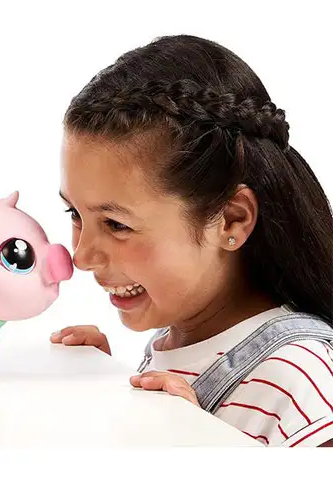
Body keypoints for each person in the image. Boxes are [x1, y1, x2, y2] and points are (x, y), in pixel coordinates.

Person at [50, 34, 333, 447]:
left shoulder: (298, 379)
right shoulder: (174, 346)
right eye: (75, 214)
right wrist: (109, 394)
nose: (81, 256)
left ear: (231, 220)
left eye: (116, 224)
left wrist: (198, 449)